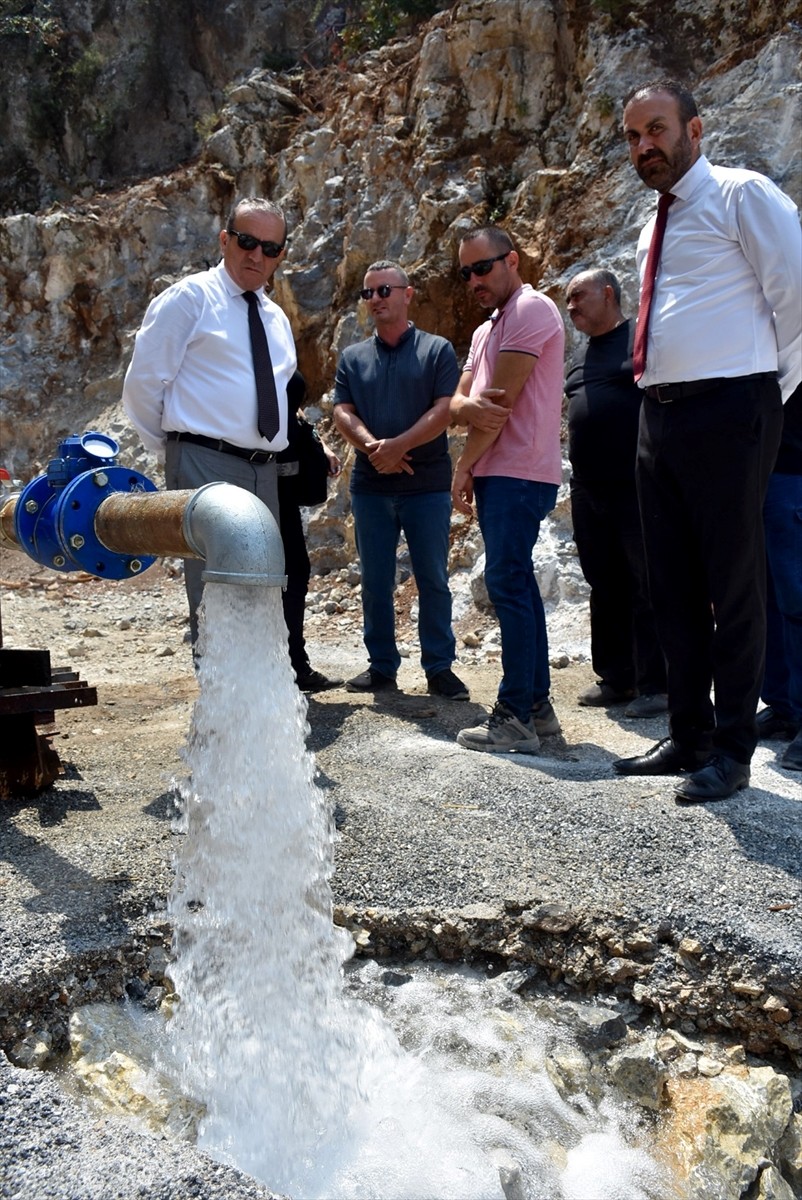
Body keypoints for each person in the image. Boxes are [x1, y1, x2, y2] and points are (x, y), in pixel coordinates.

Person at [613, 80, 802, 801]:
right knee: (672, 585)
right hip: (656, 413)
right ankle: (688, 735)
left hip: (732, 407)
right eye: (632, 137)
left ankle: (732, 749)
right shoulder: (650, 221)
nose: (644, 146)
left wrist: (764, 395)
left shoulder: (740, 193)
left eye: (655, 129)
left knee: (734, 583)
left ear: (694, 127)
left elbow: (798, 296)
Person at [122, 197, 295, 651]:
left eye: (270, 248)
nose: (256, 255)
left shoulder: (275, 318)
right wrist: (176, 451)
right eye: (247, 241)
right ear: (225, 240)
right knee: (214, 594)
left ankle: (256, 707)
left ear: (280, 256)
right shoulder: (190, 299)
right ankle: (220, 716)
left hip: (264, 472)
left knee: (261, 588)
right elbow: (142, 384)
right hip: (205, 462)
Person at [450, 226, 564, 753]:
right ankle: (536, 711)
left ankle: (516, 713)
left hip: (518, 472)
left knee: (508, 584)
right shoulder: (485, 330)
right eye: (466, 272)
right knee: (515, 585)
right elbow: (457, 403)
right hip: (502, 473)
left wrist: (462, 466)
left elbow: (494, 409)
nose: (474, 279)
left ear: (511, 260)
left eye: (483, 267)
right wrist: (465, 413)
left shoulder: (530, 311)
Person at [332, 260, 468, 700]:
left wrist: (398, 446)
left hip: (426, 485)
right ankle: (382, 667)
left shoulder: (437, 350)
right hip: (371, 488)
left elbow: (445, 408)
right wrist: (376, 448)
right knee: (375, 581)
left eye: (384, 291)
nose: (375, 300)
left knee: (432, 578)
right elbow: (342, 411)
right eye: (368, 293)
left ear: (407, 294)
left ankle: (439, 669)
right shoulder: (352, 357)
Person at [564, 268, 667, 718]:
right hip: (588, 488)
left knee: (649, 584)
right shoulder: (578, 357)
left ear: (609, 294)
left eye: (578, 297)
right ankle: (617, 677)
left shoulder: (641, 340)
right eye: (567, 301)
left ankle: (657, 685)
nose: (571, 307)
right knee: (604, 582)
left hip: (637, 485)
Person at [277, 369, 342, 692]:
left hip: (284, 492)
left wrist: (321, 444)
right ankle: (281, 667)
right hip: (255, 485)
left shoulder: (277, 353)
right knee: (269, 577)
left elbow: (294, 411)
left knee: (295, 574)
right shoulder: (239, 354)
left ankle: (294, 665)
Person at [756, 382, 802, 771]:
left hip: (795, 473)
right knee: (768, 598)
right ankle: (783, 707)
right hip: (760, 473)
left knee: (797, 601)